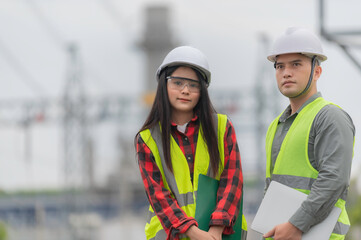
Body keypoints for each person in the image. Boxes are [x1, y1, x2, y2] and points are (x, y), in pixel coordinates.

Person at [135, 46, 247, 240]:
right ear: (164, 85)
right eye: (177, 83)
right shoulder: (147, 139)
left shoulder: (221, 127)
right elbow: (158, 195)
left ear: (202, 90)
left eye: (193, 85)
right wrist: (193, 232)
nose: (185, 90)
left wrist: (216, 229)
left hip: (220, 235)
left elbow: (232, 180)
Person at [263, 27, 355, 240]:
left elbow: (334, 180)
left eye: (296, 64)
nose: (286, 72)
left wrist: (296, 225)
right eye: (279, 66)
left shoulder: (330, 117)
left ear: (317, 72)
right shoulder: (276, 125)